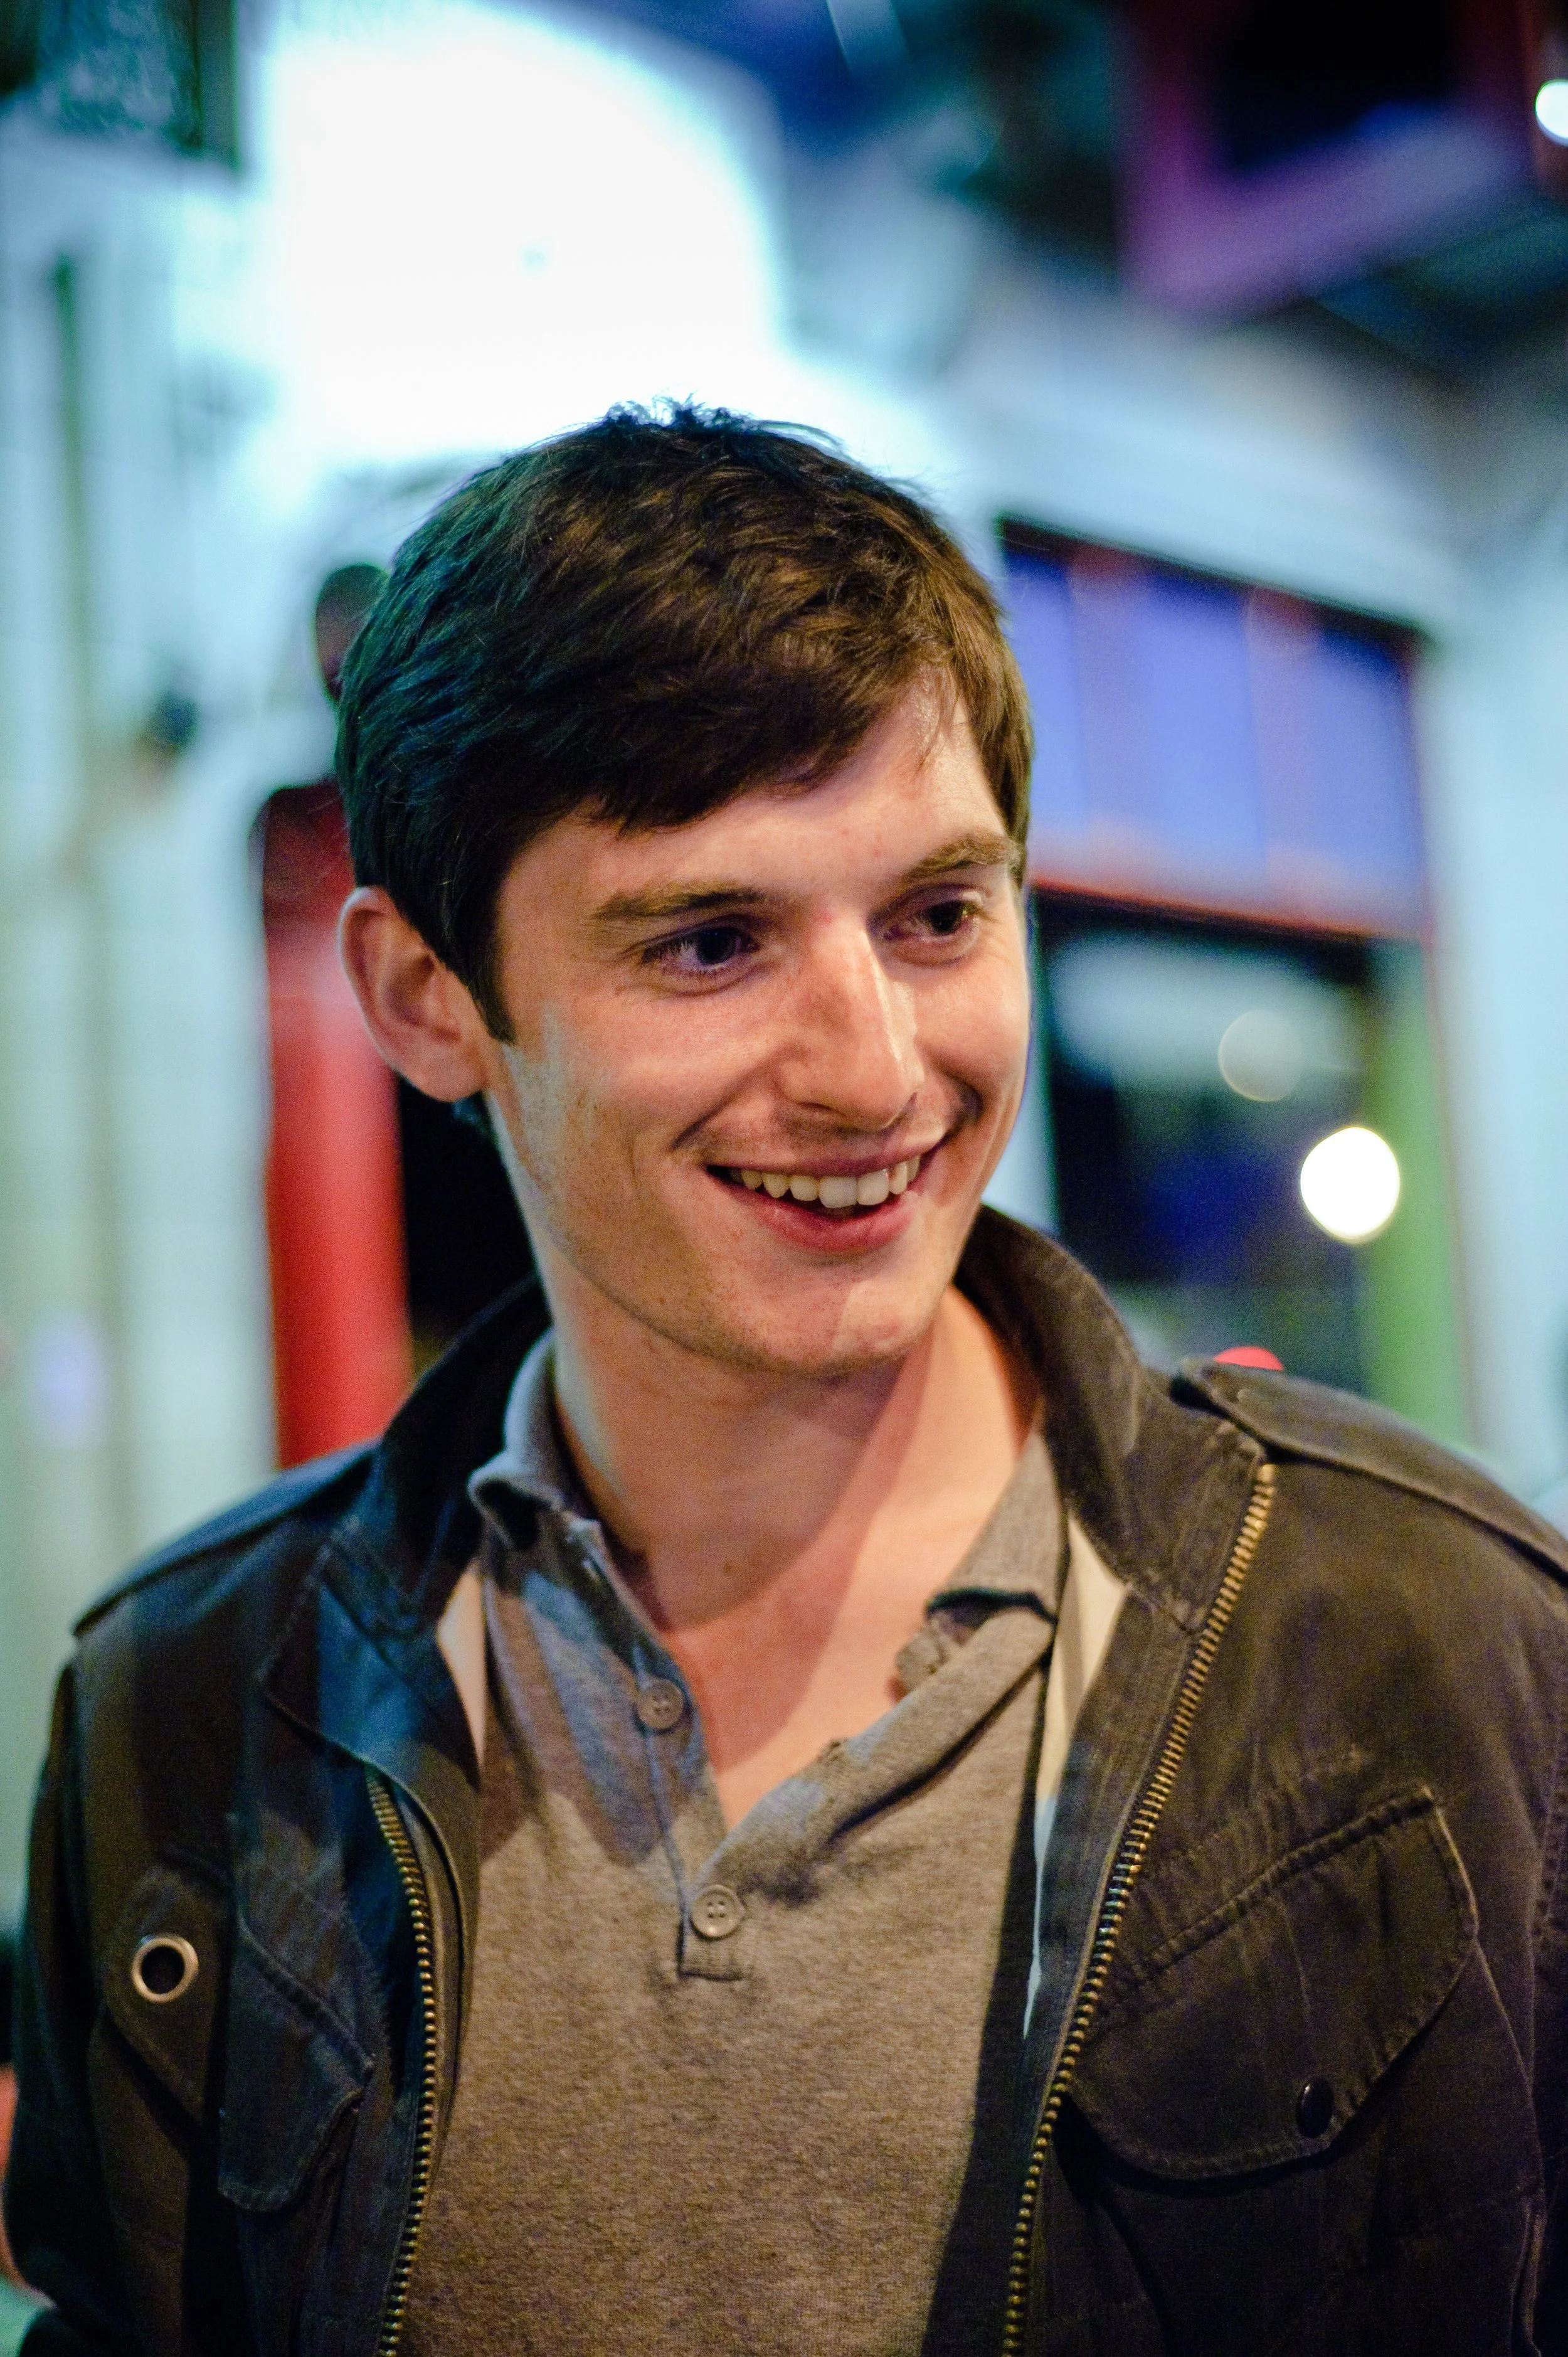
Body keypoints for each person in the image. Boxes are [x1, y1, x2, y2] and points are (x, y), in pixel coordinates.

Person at [6, 405, 1568, 2357]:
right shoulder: (182, 1710)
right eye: (712, 940)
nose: (871, 1066)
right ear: (424, 999)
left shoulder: (1442, 1637)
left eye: (935, 915)